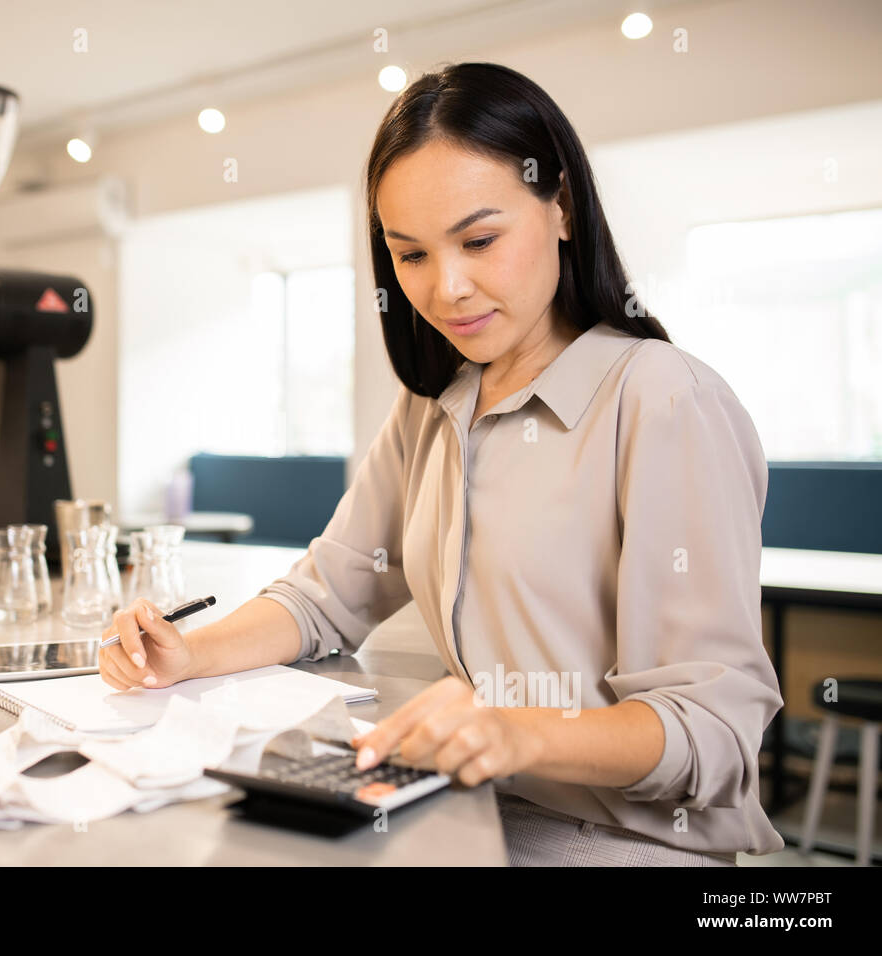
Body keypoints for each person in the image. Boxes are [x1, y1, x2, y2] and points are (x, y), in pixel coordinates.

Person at [98, 62, 783, 866]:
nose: (446, 288)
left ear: (561, 206)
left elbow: (715, 729)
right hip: (469, 810)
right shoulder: (435, 404)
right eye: (410, 255)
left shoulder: (665, 399)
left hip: (618, 842)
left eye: (480, 240)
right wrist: (193, 652)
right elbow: (328, 592)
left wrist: (516, 732)